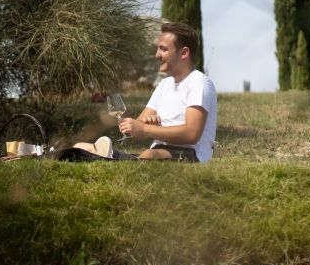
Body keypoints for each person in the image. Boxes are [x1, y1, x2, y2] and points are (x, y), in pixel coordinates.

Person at [67, 21, 217, 163]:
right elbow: (138, 127)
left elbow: (191, 134)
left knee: (149, 155)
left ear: (184, 53)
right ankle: (108, 158)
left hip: (190, 155)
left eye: (163, 49)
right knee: (80, 147)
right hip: (156, 153)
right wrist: (141, 126)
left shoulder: (199, 83)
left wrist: (147, 129)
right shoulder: (164, 84)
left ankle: (108, 159)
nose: (157, 54)